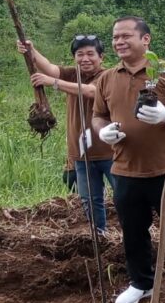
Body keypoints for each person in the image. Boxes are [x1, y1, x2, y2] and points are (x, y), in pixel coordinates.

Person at [91, 16, 165, 303]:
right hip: (125, 170)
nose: (119, 41)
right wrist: (101, 131)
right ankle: (140, 283)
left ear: (146, 40)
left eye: (126, 36)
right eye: (115, 37)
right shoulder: (107, 78)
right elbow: (98, 115)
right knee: (133, 230)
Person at [17, 36, 116, 234]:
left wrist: (53, 83)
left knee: (125, 196)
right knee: (89, 199)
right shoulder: (73, 75)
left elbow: (91, 91)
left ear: (101, 57)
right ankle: (99, 236)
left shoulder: (109, 76)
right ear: (74, 58)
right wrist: (31, 50)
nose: (85, 59)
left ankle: (136, 233)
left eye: (90, 54)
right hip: (81, 153)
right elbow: (50, 68)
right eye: (80, 55)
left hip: (110, 152)